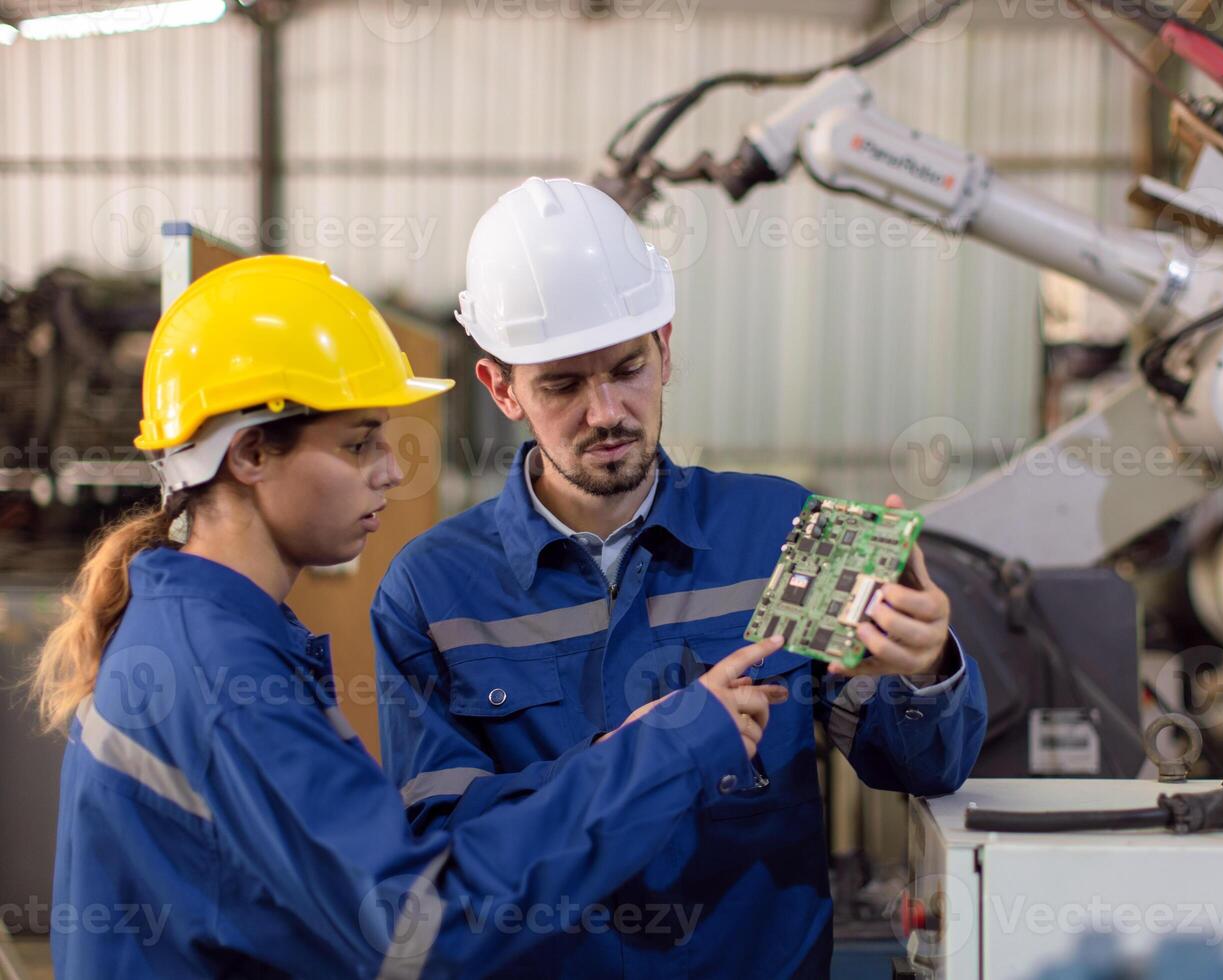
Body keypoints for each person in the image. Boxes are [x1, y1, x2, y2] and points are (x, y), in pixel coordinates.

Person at [32, 254, 786, 978]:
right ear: (251, 454)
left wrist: (633, 753)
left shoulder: (202, 634)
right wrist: (667, 753)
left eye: (627, 369)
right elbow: (414, 930)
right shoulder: (224, 674)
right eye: (359, 443)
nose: (392, 470)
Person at [373, 178, 988, 977]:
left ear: (665, 348)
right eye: (562, 383)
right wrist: (637, 757)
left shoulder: (788, 526)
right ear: (502, 389)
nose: (606, 411)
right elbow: (442, 855)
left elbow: (922, 768)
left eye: (627, 367)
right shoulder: (431, 590)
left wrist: (925, 671)